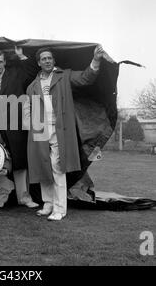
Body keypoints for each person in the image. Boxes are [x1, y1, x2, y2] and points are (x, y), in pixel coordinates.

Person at [24, 45, 111, 220]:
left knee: (57, 168)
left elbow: (86, 78)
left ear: (53, 60)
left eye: (50, 58)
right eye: (43, 59)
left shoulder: (64, 76)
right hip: (40, 130)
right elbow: (29, 109)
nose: (47, 61)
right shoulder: (33, 85)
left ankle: (59, 208)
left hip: (60, 129)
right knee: (43, 168)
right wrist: (29, 125)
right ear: (39, 63)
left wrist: (96, 59)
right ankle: (48, 203)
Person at [0, 48, 39, 208]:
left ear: (5, 62)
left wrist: (20, 55)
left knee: (19, 162)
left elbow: (32, 71)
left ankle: (24, 197)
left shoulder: (16, 73)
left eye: (0, 62)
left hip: (15, 126)